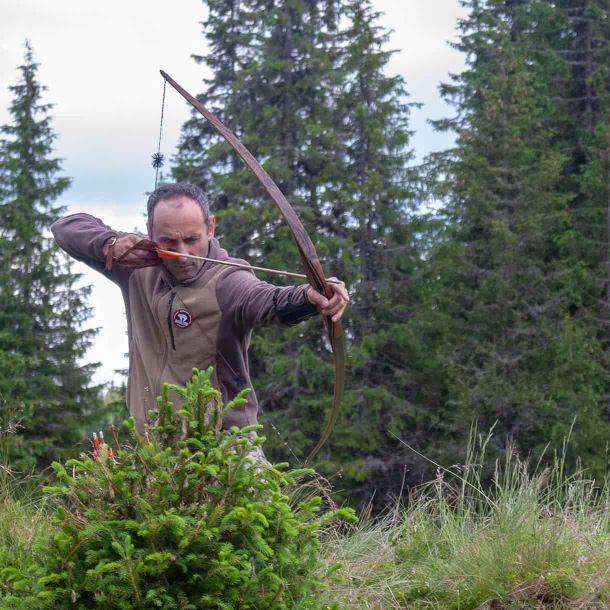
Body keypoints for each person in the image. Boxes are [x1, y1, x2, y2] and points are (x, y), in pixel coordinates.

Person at [51, 182, 349, 436]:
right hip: (153, 440)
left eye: (192, 239)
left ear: (210, 227)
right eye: (168, 241)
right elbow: (65, 228)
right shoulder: (134, 266)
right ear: (150, 232)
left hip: (225, 442)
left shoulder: (228, 281)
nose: (181, 254)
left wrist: (310, 296)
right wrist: (109, 244)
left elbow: (267, 300)